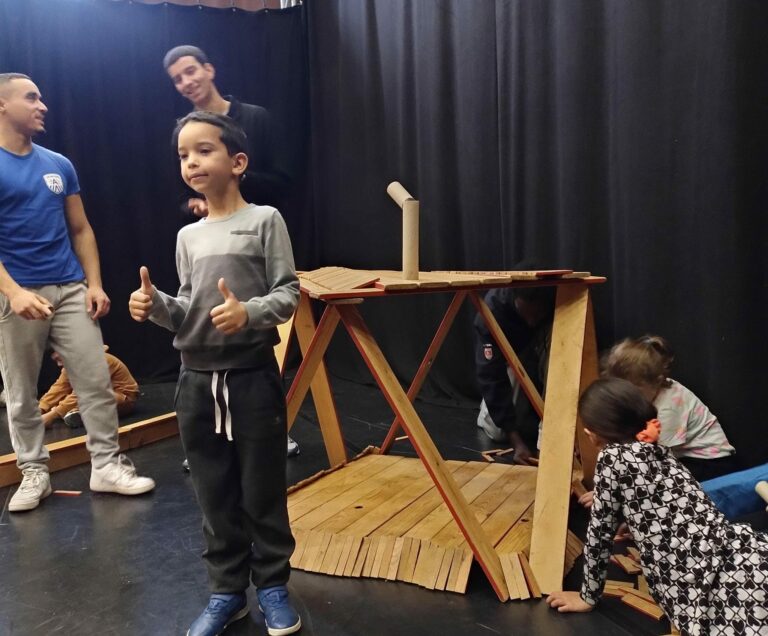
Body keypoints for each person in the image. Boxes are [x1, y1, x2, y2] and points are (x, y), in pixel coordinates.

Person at [129, 112, 301, 636]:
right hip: (197, 383)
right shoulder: (188, 236)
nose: (192, 162)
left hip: (251, 378)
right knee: (213, 492)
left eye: (204, 150)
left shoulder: (265, 220)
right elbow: (187, 308)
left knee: (262, 488)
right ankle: (227, 591)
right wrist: (155, 305)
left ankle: (272, 586)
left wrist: (249, 312)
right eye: (183, 155)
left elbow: (288, 293)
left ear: (238, 162)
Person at [0, 73, 155, 512]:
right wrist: (13, 292)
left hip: (70, 288)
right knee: (21, 392)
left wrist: (95, 283)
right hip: (17, 294)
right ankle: (34, 471)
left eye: (42, 97)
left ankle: (106, 465)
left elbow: (81, 229)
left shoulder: (58, 164)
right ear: (2, 105)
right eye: (31, 98)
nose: (42, 105)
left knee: (95, 379)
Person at [546, 377, 768, 634]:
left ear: (591, 434)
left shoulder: (611, 458)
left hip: (691, 575)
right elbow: (669, 502)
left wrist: (588, 596)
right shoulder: (660, 450)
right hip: (725, 545)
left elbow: (600, 534)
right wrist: (635, 522)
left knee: (731, 613)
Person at [163, 44, 299, 459]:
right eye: (176, 79)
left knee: (257, 364)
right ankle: (218, 430)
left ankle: (267, 429)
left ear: (209, 69)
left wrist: (230, 192)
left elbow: (283, 179)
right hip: (211, 239)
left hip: (252, 239)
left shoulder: (255, 119)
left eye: (190, 71)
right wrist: (202, 203)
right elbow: (184, 303)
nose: (186, 82)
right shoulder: (188, 235)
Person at [602, 335, 737, 482]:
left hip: (711, 464)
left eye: (635, 390)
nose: (626, 397)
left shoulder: (668, 410)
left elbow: (654, 456)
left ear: (657, 381)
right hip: (681, 457)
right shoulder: (649, 393)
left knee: (654, 479)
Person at [473, 283, 554, 464]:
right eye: (527, 314)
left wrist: (545, 444)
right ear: (515, 300)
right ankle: (491, 413)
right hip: (514, 357)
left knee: (556, 350)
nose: (531, 321)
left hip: (543, 347)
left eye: (537, 314)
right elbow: (490, 375)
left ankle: (546, 431)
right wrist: (516, 442)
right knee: (497, 432)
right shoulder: (493, 311)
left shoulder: (559, 298)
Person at [39, 346, 139, 429]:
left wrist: (52, 415)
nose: (59, 364)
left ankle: (80, 413)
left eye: (59, 359)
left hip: (122, 399)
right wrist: (40, 408)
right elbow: (59, 388)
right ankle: (78, 413)